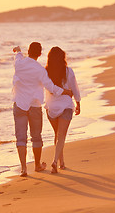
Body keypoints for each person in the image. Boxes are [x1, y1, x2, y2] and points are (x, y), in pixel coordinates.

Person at [12, 42, 72, 177]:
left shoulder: (19, 64)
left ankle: (23, 169)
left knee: (21, 138)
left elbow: (17, 56)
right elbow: (51, 88)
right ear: (40, 54)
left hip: (20, 104)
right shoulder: (40, 70)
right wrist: (66, 92)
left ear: (29, 51)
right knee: (36, 137)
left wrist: (18, 50)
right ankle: (37, 165)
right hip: (34, 105)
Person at [44, 46, 81, 174]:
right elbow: (75, 88)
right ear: (62, 58)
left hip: (51, 108)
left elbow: (47, 88)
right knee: (61, 136)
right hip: (65, 106)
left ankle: (62, 163)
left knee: (57, 135)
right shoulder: (68, 71)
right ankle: (55, 161)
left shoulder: (45, 72)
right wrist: (78, 103)